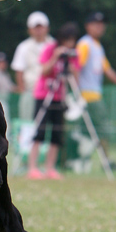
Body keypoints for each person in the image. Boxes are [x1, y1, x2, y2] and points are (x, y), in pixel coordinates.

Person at [77, 12, 116, 170]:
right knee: (103, 128)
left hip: (94, 94)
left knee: (88, 131)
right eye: (96, 23)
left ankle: (87, 161)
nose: (100, 27)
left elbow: (108, 71)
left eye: (102, 24)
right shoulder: (85, 44)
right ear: (88, 26)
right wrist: (77, 93)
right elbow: (76, 67)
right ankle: (106, 162)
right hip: (87, 95)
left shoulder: (97, 46)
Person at [27, 22, 80, 180]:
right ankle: (33, 168)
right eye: (67, 40)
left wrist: (70, 64)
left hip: (60, 96)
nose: (69, 44)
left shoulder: (73, 54)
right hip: (44, 94)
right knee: (40, 131)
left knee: (57, 133)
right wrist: (56, 56)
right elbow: (44, 70)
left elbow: (76, 77)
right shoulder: (51, 48)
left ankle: (50, 168)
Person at [11, 11, 55, 121]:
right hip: (30, 92)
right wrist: (22, 90)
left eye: (41, 27)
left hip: (51, 92)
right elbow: (19, 71)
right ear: (29, 29)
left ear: (47, 28)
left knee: (50, 125)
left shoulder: (55, 45)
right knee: (27, 123)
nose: (38, 30)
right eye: (35, 27)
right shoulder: (23, 47)